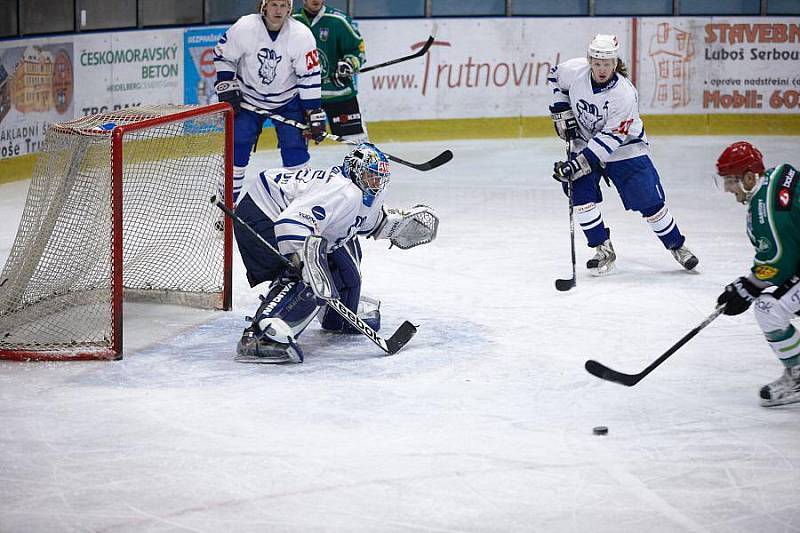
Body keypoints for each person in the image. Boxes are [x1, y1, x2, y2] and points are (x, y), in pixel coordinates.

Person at [233, 143, 438, 363]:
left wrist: (397, 227)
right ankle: (261, 336)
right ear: (355, 171)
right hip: (262, 214)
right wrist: (305, 262)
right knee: (308, 272)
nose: (375, 184)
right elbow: (290, 224)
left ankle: (338, 318)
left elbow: (364, 222)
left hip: (293, 218)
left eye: (379, 178)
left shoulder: (365, 192)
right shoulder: (342, 190)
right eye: (371, 177)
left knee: (345, 263)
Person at [547, 34, 698, 275]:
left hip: (625, 149)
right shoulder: (575, 72)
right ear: (589, 60)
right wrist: (561, 108)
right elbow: (554, 75)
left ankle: (677, 246)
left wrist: (577, 164)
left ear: (615, 63)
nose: (601, 69)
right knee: (579, 193)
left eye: (607, 64)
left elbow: (610, 139)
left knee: (649, 201)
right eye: (596, 63)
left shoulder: (624, 94)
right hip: (585, 141)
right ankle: (602, 248)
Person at [714, 141, 800, 406]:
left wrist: (747, 287)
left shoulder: (765, 209)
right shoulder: (778, 175)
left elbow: (778, 262)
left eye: (730, 181)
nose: (728, 189)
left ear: (749, 177)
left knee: (768, 308)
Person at [214, 0, 325, 202]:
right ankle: (227, 206)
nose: (279, 11)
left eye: (284, 6)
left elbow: (309, 75)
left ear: (290, 9)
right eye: (274, 4)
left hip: (287, 102)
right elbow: (224, 56)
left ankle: (300, 206)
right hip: (248, 100)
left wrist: (313, 111)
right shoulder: (245, 27)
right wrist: (227, 86)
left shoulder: (301, 35)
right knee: (237, 147)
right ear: (264, 6)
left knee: (295, 150)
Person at [293, 0, 368, 141]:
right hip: (303, 95)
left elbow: (357, 49)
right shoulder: (291, 21)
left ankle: (364, 163)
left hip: (339, 93)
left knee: (357, 142)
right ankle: (300, 165)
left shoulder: (338, 20)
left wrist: (350, 63)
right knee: (295, 144)